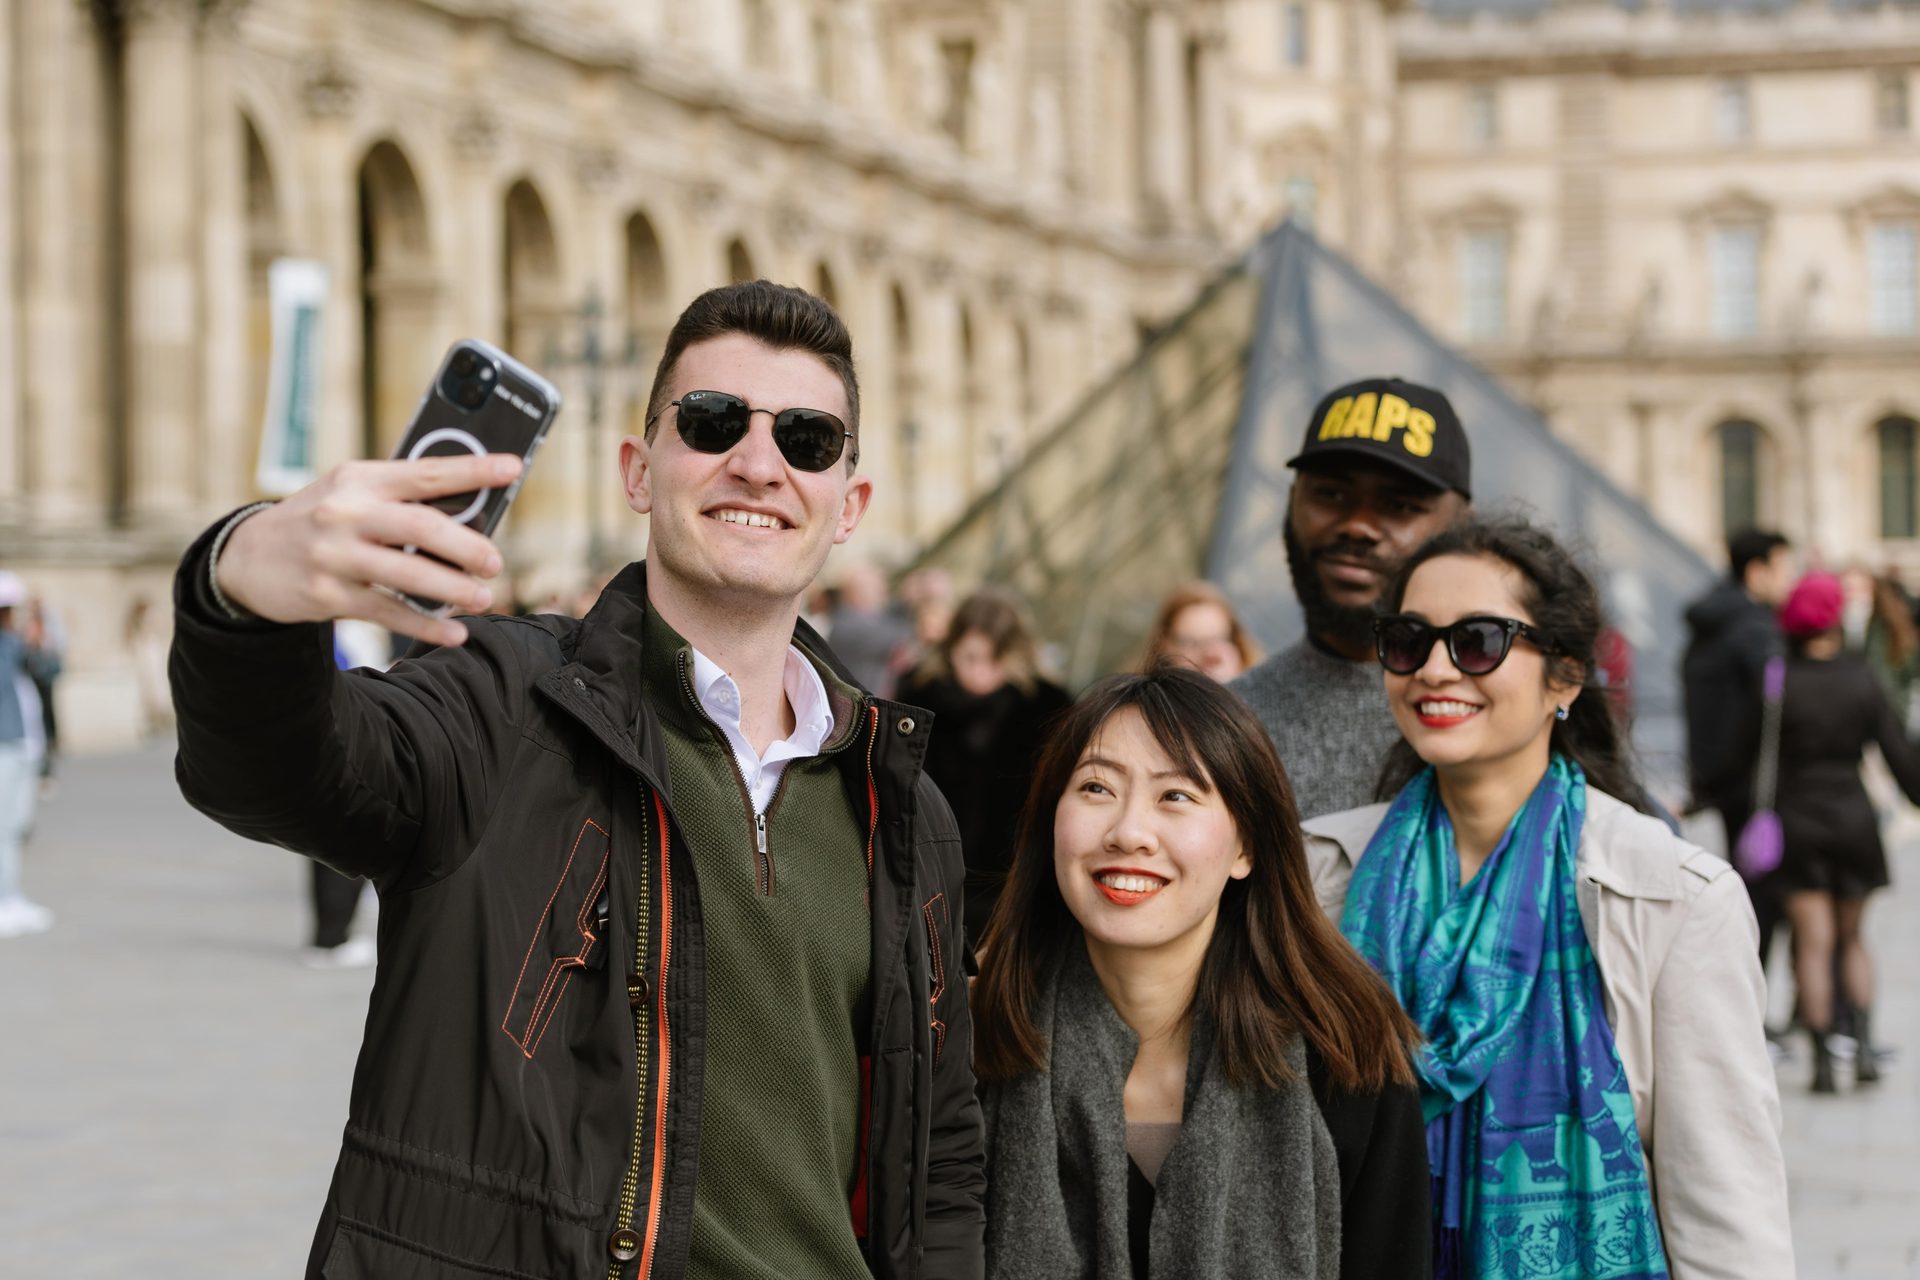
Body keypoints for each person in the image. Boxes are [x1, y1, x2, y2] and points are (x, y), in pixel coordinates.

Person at [170, 281, 983, 1279]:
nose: (759, 463)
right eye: (714, 421)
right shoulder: (502, 704)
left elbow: (937, 1147)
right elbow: (275, 770)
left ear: (848, 503)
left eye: (807, 439)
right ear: (640, 471)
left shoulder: (903, 807)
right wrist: (239, 587)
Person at [1305, 515, 1791, 1279]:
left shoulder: (1675, 899)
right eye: (1408, 639)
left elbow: (1727, 1213)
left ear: (1563, 676)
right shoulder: (1315, 877)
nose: (1434, 669)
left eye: (1477, 641)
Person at [972, 665, 1430, 1279]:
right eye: (1096, 789)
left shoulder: (1346, 1053)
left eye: (1176, 796)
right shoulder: (968, 1039)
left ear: (1246, 847)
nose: (1130, 832)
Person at [1230, 377, 1471, 820]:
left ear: (1462, 526)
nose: (1358, 524)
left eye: (1400, 505)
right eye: (1331, 495)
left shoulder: (1513, 729)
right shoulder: (1219, 730)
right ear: (1291, 502)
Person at [1771, 572, 1920, 1092]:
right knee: (1853, 940)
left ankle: (1821, 1066)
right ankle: (1860, 1053)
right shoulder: (1861, 678)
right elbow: (1898, 753)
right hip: (1853, 816)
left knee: (1813, 943)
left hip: (1797, 817)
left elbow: (1747, 753)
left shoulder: (1778, 678)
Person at [901, 588, 1071, 941]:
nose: (981, 672)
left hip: (1011, 886)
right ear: (951, 649)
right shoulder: (916, 702)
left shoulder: (1046, 709)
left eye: (995, 660)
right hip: (923, 878)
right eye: (971, 657)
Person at [0, 572, 56, 937]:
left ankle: (11, 894)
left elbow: (51, 671)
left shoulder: (17, 645)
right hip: (4, 745)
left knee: (18, 825)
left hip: (25, 744)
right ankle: (4, 899)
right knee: (3, 828)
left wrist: (37, 641)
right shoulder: (8, 647)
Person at [1139, 581, 1261, 682]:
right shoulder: (1143, 706)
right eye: (1191, 643)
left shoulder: (1262, 692)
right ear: (1165, 644)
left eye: (1219, 639)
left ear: (1236, 642)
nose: (1209, 654)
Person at [827, 561, 914, 697]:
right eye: (878, 587)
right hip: (857, 707)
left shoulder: (873, 620)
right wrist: (909, 601)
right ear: (857, 592)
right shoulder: (846, 625)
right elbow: (898, 636)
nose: (884, 592)